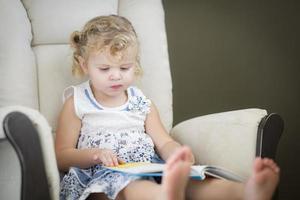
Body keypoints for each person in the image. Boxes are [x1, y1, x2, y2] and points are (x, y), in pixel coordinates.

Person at [55, 15, 280, 200]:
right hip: (102, 176)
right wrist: (95, 155)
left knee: (193, 181)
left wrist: (176, 154)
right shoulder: (77, 102)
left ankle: (245, 192)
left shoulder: (141, 102)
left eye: (125, 67)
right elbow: (62, 155)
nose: (116, 75)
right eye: (104, 69)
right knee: (129, 188)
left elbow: (163, 141)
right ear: (85, 65)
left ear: (136, 64)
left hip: (148, 167)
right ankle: (165, 195)